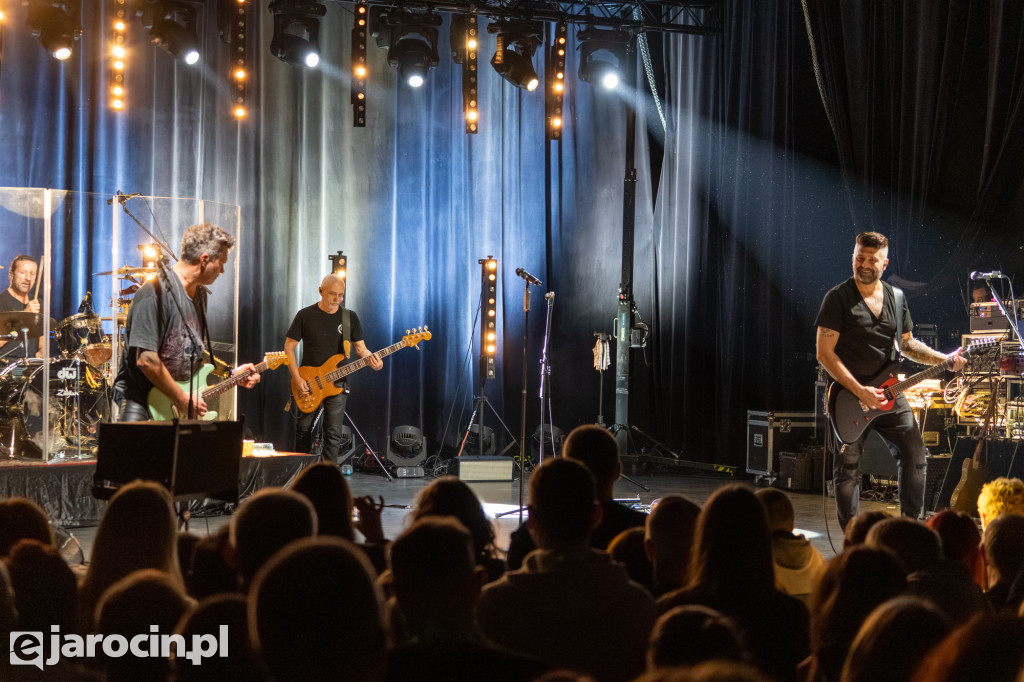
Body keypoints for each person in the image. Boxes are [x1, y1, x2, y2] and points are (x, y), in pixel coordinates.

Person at [815, 231, 966, 529]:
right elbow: (824, 353)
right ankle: (852, 537)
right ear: (853, 257)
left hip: (889, 393)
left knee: (916, 456)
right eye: (860, 257)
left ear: (885, 263)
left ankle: (911, 530)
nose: (865, 264)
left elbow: (907, 345)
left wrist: (943, 360)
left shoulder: (896, 298)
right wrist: (859, 390)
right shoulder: (837, 298)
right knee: (847, 468)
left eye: (873, 259)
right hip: (850, 396)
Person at [113, 223, 259, 421]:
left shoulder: (199, 296)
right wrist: (182, 397)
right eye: (222, 263)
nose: (223, 270)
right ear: (204, 260)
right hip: (141, 404)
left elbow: (192, 351)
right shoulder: (154, 293)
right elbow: (146, 359)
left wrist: (231, 373)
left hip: (174, 406)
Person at [285, 273, 383, 462]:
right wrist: (297, 378)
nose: (337, 299)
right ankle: (300, 474)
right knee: (303, 431)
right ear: (320, 291)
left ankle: (327, 476)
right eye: (332, 294)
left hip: (337, 383)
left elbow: (361, 349)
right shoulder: (305, 315)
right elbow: (288, 347)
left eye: (341, 295)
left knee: (333, 434)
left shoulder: (349, 317)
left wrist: (372, 359)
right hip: (308, 382)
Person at [0, 255, 43, 357]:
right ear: (11, 275)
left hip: (31, 368)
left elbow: (42, 344)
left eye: (32, 274)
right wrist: (24, 317)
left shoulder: (37, 303)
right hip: (6, 369)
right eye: (23, 272)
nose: (28, 278)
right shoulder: (1, 301)